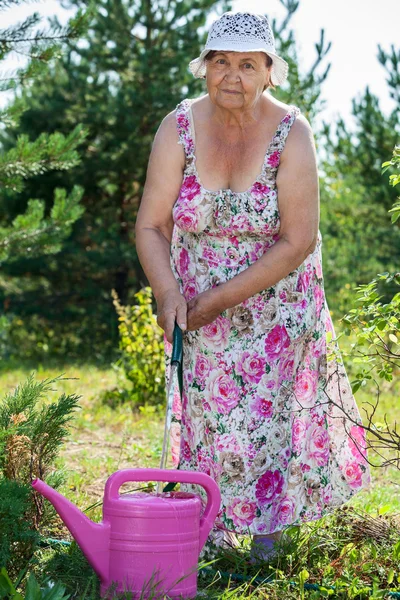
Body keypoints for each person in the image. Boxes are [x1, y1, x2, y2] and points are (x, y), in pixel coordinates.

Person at [135, 11, 372, 561]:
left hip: (277, 301)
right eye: (221, 62)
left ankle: (268, 546)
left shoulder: (293, 130)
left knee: (272, 417)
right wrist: (167, 290)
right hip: (194, 303)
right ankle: (206, 534)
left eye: (247, 64)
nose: (233, 76)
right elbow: (152, 223)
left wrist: (219, 299)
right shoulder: (178, 127)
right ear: (204, 68)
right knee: (208, 416)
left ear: (269, 72)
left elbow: (297, 238)